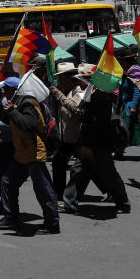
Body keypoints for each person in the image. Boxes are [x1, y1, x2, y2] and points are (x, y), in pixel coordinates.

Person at [0, 75, 60, 234]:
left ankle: (52, 223)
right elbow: (6, 119)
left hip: (34, 152)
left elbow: (28, 124)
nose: (4, 93)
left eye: (6, 90)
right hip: (22, 152)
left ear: (14, 90)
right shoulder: (15, 102)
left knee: (43, 189)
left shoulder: (28, 103)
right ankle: (11, 218)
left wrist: (13, 112)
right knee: (8, 181)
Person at [61, 88, 131, 214]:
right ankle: (70, 202)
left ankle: (123, 203)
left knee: (108, 174)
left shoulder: (102, 98)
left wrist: (83, 116)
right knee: (79, 171)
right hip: (91, 142)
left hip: (98, 143)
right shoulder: (93, 94)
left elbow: (98, 122)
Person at [49, 62, 84, 199]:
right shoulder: (66, 91)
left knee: (88, 167)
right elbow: (57, 113)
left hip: (77, 135)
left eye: (61, 77)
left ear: (69, 77)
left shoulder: (79, 91)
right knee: (58, 162)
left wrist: (59, 95)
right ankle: (58, 192)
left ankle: (109, 189)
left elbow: (75, 107)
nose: (60, 80)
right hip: (66, 135)